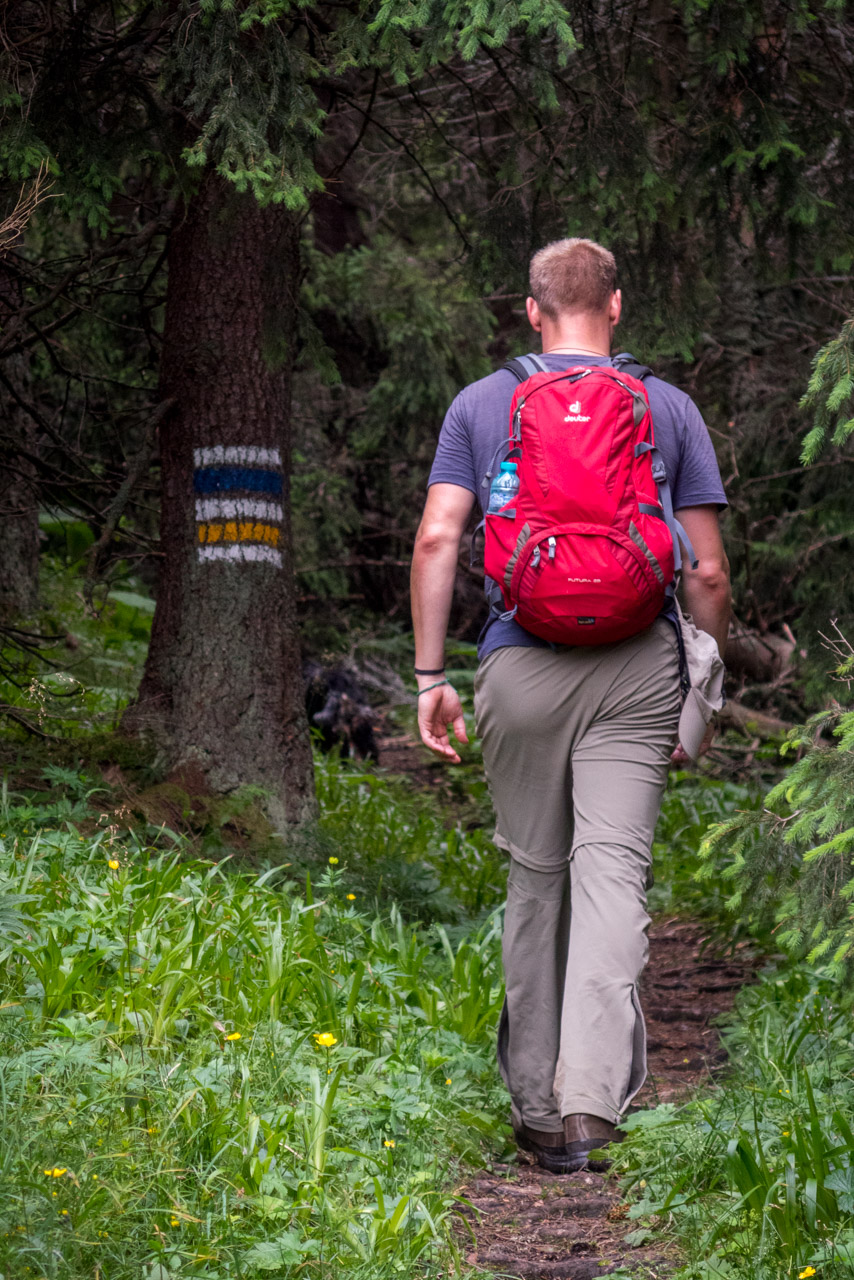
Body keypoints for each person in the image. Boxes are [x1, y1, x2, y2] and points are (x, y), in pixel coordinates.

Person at [410, 238, 731, 1174]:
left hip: (520, 661)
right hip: (638, 668)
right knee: (612, 876)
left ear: (531, 310)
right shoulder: (668, 408)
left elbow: (438, 538)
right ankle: (595, 1111)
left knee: (536, 877)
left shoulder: (482, 403)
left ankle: (538, 1113)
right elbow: (705, 571)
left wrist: (432, 679)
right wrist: (702, 689)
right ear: (618, 307)